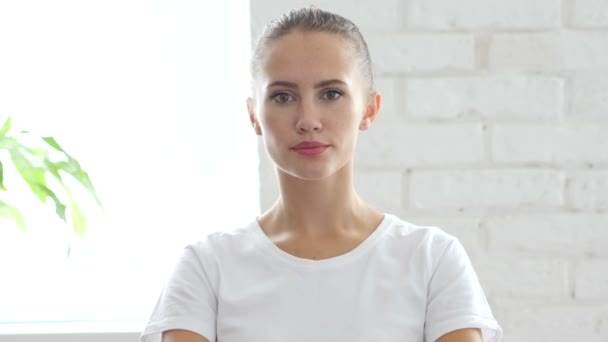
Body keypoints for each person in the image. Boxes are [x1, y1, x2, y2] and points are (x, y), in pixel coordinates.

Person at [140, 7, 502, 342]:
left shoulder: (432, 260)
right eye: (283, 97)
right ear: (254, 115)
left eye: (331, 94)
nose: (308, 120)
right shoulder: (206, 268)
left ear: (369, 109)